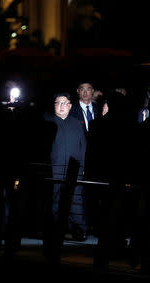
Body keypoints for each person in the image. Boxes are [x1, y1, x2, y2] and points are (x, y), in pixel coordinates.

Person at [45, 93, 87, 242]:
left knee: (76, 200)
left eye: (65, 103)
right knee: (54, 201)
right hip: (53, 169)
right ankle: (55, 231)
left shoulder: (77, 123)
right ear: (54, 105)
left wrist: (82, 167)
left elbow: (83, 147)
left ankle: (79, 230)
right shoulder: (47, 122)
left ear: (70, 106)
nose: (62, 106)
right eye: (59, 103)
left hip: (74, 170)